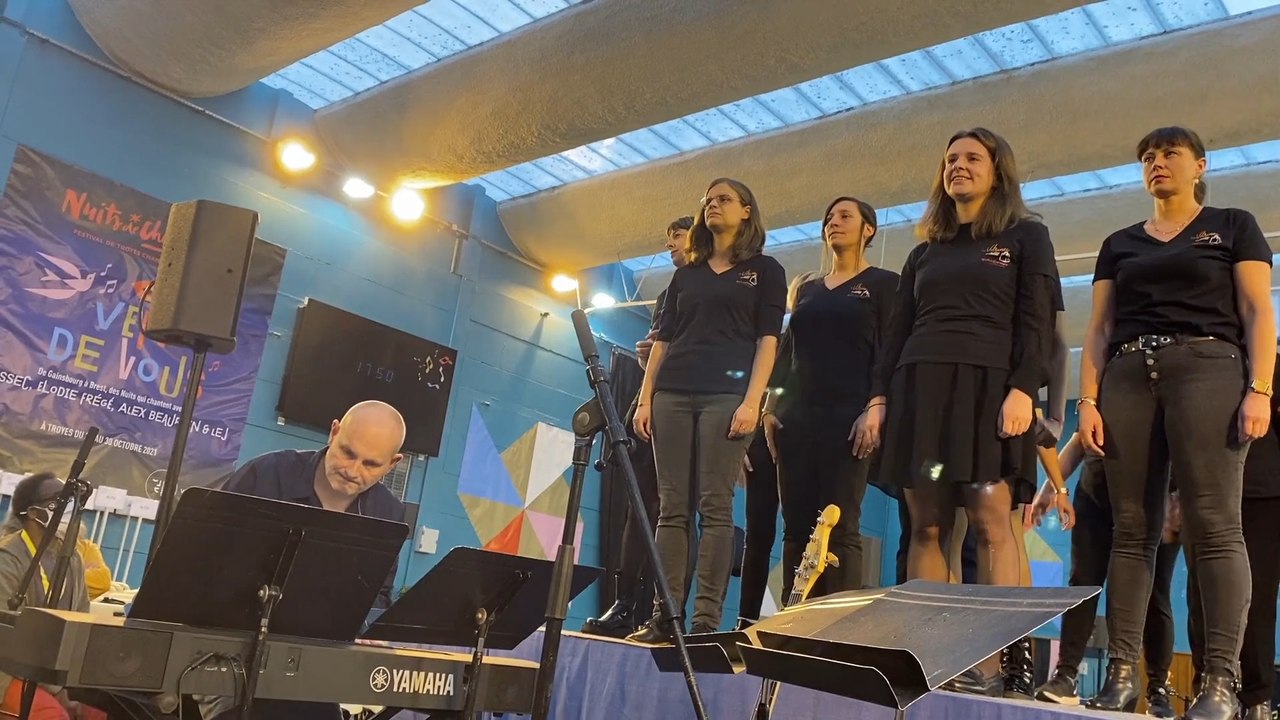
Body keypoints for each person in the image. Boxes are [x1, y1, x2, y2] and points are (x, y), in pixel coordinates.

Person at [1078, 126, 1276, 720]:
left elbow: (1258, 311)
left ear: (1200, 166)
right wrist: (1087, 400)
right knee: (1131, 530)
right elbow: (1099, 328)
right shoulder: (1119, 243)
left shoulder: (1233, 224)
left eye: (1168, 154)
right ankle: (1122, 675)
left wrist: (1260, 388)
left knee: (1215, 526)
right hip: (1128, 374)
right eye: (1146, 157)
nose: (1156, 163)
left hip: (1209, 365)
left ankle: (1220, 681)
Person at [868, 127, 1060, 696]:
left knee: (991, 521)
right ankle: (930, 661)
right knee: (926, 525)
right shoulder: (924, 250)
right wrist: (880, 399)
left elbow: (1038, 320)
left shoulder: (1027, 235)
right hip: (919, 388)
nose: (959, 166)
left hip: (990, 387)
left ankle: (993, 666)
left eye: (972, 158)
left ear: (997, 170)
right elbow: (896, 332)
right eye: (950, 159)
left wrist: (1025, 389)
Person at [630, 178, 786, 642]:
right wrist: (644, 397)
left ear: (746, 210)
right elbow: (663, 339)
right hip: (672, 393)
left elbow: (768, 341)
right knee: (671, 509)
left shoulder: (766, 269)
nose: (712, 205)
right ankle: (667, 617)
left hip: (727, 398)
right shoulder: (687, 273)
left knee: (715, 509)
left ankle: (704, 622)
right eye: (708, 200)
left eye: (723, 199)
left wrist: (753, 401)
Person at [205, 400, 408, 720]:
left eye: (371, 464)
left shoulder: (389, 514)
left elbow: (378, 595)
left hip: (313, 667)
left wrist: (371, 630)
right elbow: (205, 562)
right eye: (347, 452)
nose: (353, 471)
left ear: (392, 464)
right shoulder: (266, 475)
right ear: (334, 431)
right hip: (228, 655)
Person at [763, 197, 898, 599]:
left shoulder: (884, 284)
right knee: (796, 525)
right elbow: (789, 349)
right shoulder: (807, 290)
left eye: (845, 216)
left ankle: (837, 633)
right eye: (829, 218)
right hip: (796, 420)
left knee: (838, 526)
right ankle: (792, 626)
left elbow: (889, 351)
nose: (833, 223)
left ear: (868, 229)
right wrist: (771, 407)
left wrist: (876, 406)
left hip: (849, 421)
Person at [584, 216, 696, 638]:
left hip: (691, 407)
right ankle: (625, 605)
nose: (671, 247)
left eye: (678, 239)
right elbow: (655, 353)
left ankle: (669, 610)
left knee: (678, 513)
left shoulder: (711, 289)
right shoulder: (668, 292)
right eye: (667, 241)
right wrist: (647, 360)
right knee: (638, 508)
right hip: (653, 402)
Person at [1029, 434, 1178, 716]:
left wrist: (1178, 497)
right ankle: (1066, 675)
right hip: (1097, 492)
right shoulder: (1098, 393)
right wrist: (1051, 488)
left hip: (1154, 497)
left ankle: (1156, 689)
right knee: (1082, 584)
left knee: (1155, 592)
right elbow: (1081, 439)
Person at [1187, 351, 1280, 720]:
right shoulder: (1199, 355)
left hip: (1262, 493)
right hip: (1205, 489)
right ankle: (1208, 689)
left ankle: (1255, 700)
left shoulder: (1270, 362)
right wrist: (1177, 490)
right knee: (1202, 599)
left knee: (1255, 603)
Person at [738, 271, 818, 626]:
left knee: (798, 531)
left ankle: (792, 616)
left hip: (799, 441)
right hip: (762, 443)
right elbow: (754, 393)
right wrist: (742, 443)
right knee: (758, 533)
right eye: (802, 296)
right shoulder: (775, 343)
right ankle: (745, 619)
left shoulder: (825, 353)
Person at [0, 472, 105, 720]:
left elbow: (81, 620)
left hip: (54, 672)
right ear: (34, 513)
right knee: (50, 715)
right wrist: (54, 689)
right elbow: (7, 639)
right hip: (9, 670)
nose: (70, 507)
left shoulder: (72, 558)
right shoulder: (7, 558)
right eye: (60, 500)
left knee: (107, 709)